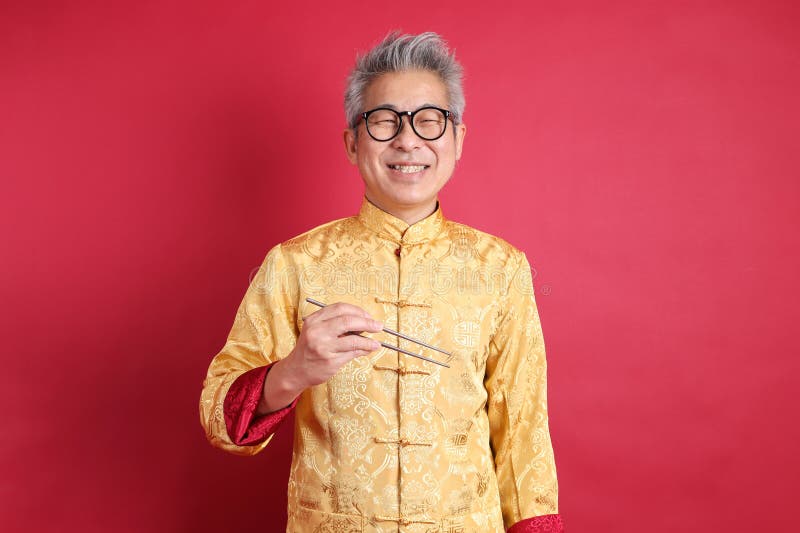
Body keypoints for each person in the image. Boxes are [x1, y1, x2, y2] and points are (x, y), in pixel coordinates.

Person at [200, 31, 563, 532]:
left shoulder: (500, 267)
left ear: (458, 140)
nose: (408, 140)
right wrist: (294, 371)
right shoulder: (295, 263)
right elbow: (220, 419)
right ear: (353, 142)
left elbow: (523, 430)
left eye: (429, 121)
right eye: (384, 121)